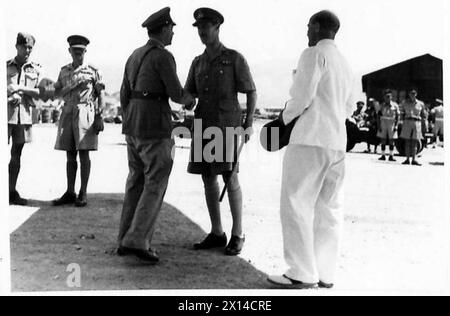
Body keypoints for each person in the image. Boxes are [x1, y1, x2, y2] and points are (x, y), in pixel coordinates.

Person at [267, 10, 357, 289]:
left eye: (309, 26)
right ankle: (326, 274)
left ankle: (300, 271)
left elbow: (302, 96)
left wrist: (282, 120)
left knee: (296, 203)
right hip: (337, 143)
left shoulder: (312, 54)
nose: (307, 32)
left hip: (308, 139)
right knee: (330, 210)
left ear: (318, 27)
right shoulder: (346, 64)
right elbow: (350, 108)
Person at [117, 7, 195, 263]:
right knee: (156, 180)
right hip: (154, 128)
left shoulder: (134, 55)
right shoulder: (163, 56)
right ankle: (138, 240)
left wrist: (132, 117)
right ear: (163, 29)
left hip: (133, 126)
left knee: (135, 182)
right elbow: (176, 94)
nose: (173, 32)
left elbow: (124, 94)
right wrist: (190, 100)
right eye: (171, 28)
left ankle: (124, 238)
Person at [185, 8, 257, 256]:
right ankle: (217, 232)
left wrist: (248, 123)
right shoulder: (197, 62)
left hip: (227, 125)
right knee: (207, 178)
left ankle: (238, 233)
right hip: (204, 124)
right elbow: (189, 93)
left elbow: (251, 91)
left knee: (230, 177)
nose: (202, 32)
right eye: (199, 28)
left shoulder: (235, 58)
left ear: (217, 27)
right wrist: (184, 100)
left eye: (206, 27)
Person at [52, 35, 106, 207]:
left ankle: (83, 192)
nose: (78, 54)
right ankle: (70, 191)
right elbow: (57, 90)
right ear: (69, 51)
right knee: (69, 153)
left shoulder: (92, 71)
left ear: (85, 51)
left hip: (85, 112)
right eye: (75, 51)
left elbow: (101, 94)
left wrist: (99, 116)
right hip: (68, 111)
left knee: (84, 153)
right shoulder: (64, 70)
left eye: (81, 52)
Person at [7, 33, 44, 205]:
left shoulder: (36, 69)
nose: (27, 50)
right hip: (6, 114)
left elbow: (41, 92)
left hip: (23, 117)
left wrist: (21, 89)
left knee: (16, 155)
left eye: (30, 47)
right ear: (17, 46)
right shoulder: (6, 65)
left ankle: (11, 191)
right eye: (24, 46)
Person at [399, 89, 427, 166]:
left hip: (416, 123)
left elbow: (423, 115)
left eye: (414, 93)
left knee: (415, 142)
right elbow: (401, 113)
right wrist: (400, 122)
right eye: (411, 93)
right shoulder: (405, 103)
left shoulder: (420, 104)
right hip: (407, 121)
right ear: (409, 94)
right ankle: (407, 159)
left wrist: (424, 126)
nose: (412, 95)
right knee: (407, 142)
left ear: (416, 94)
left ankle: (414, 159)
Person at [377, 89, 400, 161]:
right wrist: (379, 125)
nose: (387, 98)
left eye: (389, 96)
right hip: (383, 122)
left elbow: (398, 116)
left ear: (391, 97)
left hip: (392, 122)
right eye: (386, 96)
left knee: (391, 140)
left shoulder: (395, 105)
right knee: (383, 139)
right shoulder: (382, 105)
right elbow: (378, 115)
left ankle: (391, 155)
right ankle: (383, 155)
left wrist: (396, 125)